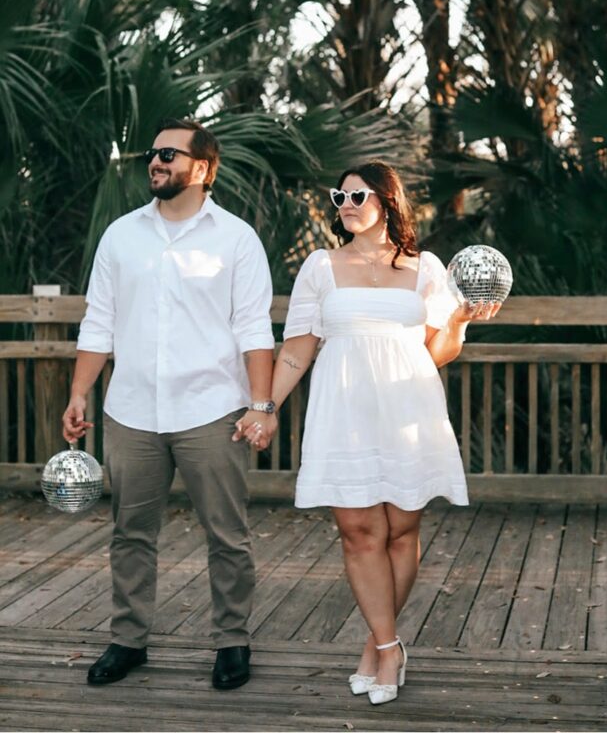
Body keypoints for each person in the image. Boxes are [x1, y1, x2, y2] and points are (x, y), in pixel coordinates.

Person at [235, 161, 500, 705]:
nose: (346, 204)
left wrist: (460, 321)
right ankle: (390, 644)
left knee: (402, 532)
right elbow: (296, 348)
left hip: (409, 405)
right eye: (340, 196)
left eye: (357, 195)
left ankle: (377, 646)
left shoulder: (426, 267)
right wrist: (264, 406)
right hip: (344, 408)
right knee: (359, 532)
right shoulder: (319, 266)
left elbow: (436, 352)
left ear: (387, 200)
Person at [62, 118, 275, 690]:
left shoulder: (236, 240)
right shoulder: (120, 236)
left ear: (202, 169)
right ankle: (128, 640)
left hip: (213, 410)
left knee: (226, 534)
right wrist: (80, 391)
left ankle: (232, 642)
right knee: (129, 534)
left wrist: (263, 405)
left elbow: (254, 329)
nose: (155, 162)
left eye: (168, 154)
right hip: (130, 410)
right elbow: (98, 321)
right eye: (153, 154)